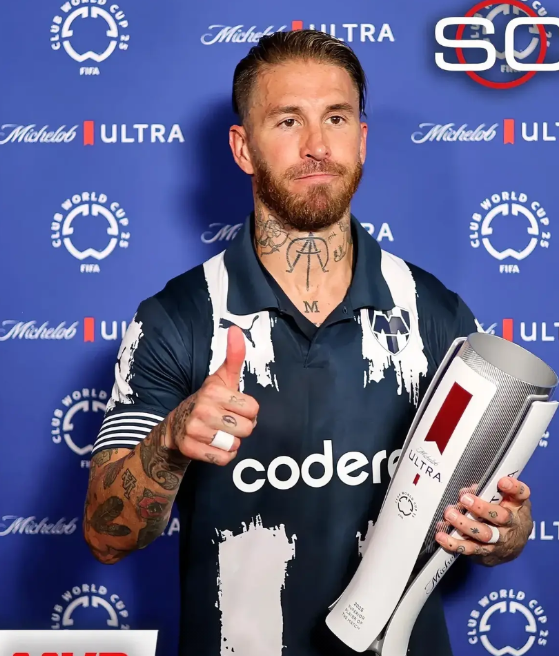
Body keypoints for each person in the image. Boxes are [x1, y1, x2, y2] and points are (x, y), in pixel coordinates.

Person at [83, 29, 534, 656]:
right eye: (288, 120)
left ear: (362, 139)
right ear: (243, 148)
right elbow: (106, 537)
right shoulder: (177, 317)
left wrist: (503, 531)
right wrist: (171, 439)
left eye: (337, 118)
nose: (318, 146)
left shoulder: (435, 312)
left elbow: (497, 523)